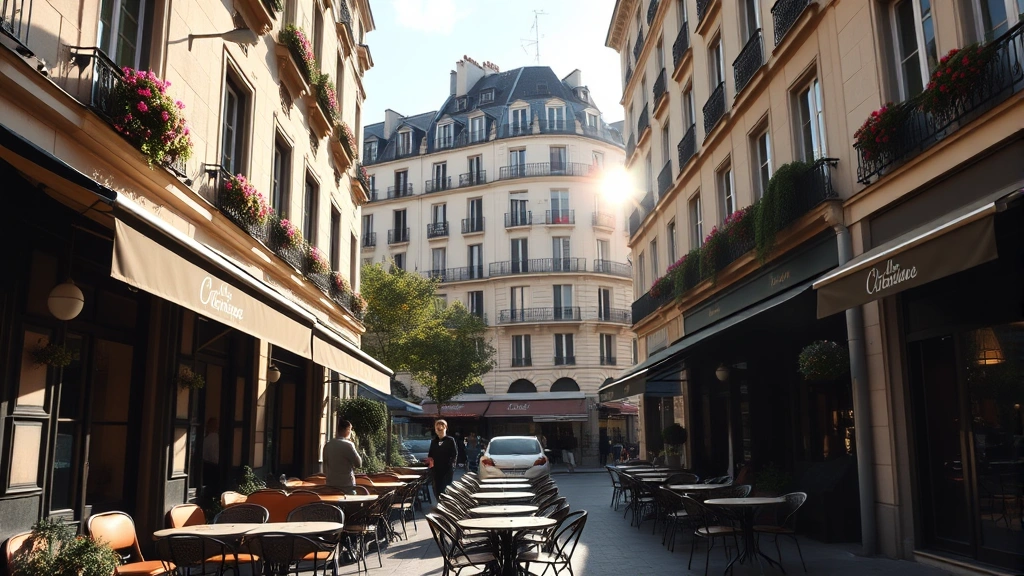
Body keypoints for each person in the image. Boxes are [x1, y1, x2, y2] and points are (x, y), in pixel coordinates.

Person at [322, 419, 362, 494]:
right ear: (347, 430)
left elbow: (325, 465)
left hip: (331, 485)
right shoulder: (349, 445)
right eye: (350, 429)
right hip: (346, 486)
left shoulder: (328, 445)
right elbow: (359, 464)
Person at [427, 419, 458, 498]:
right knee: (437, 488)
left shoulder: (450, 440)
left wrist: (452, 465)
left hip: (447, 469)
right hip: (436, 469)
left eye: (441, 428)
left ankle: (446, 505)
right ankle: (439, 503)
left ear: (445, 428)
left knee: (446, 488)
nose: (439, 430)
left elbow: (454, 454)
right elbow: (430, 455)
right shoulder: (433, 442)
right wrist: (430, 465)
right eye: (437, 429)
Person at [202, 417, 221, 500]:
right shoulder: (218, 439)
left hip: (206, 466)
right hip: (215, 467)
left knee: (207, 492)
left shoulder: (205, 440)